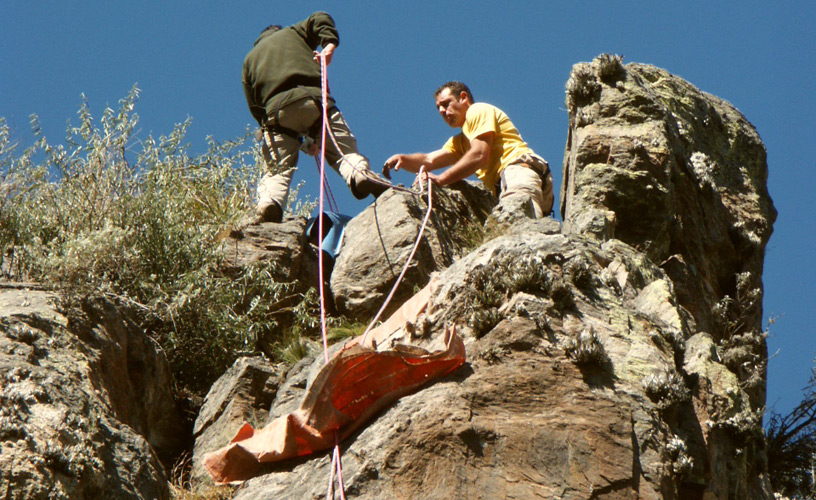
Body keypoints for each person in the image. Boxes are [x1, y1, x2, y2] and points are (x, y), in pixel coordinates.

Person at [242, 12, 388, 223]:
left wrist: (298, 140)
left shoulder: (249, 60)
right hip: (314, 102)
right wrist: (329, 45)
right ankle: (359, 175)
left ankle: (268, 204)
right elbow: (319, 18)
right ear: (278, 30)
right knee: (343, 153)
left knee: (278, 170)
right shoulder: (294, 33)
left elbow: (255, 106)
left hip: (276, 116)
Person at [384, 81, 553, 218]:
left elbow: (479, 154)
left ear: (463, 98)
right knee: (531, 232)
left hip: (517, 171)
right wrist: (403, 159)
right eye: (438, 108)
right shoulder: (462, 142)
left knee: (519, 224)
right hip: (523, 176)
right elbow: (429, 160)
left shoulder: (476, 110)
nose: (442, 111)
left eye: (446, 104)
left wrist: (440, 180)